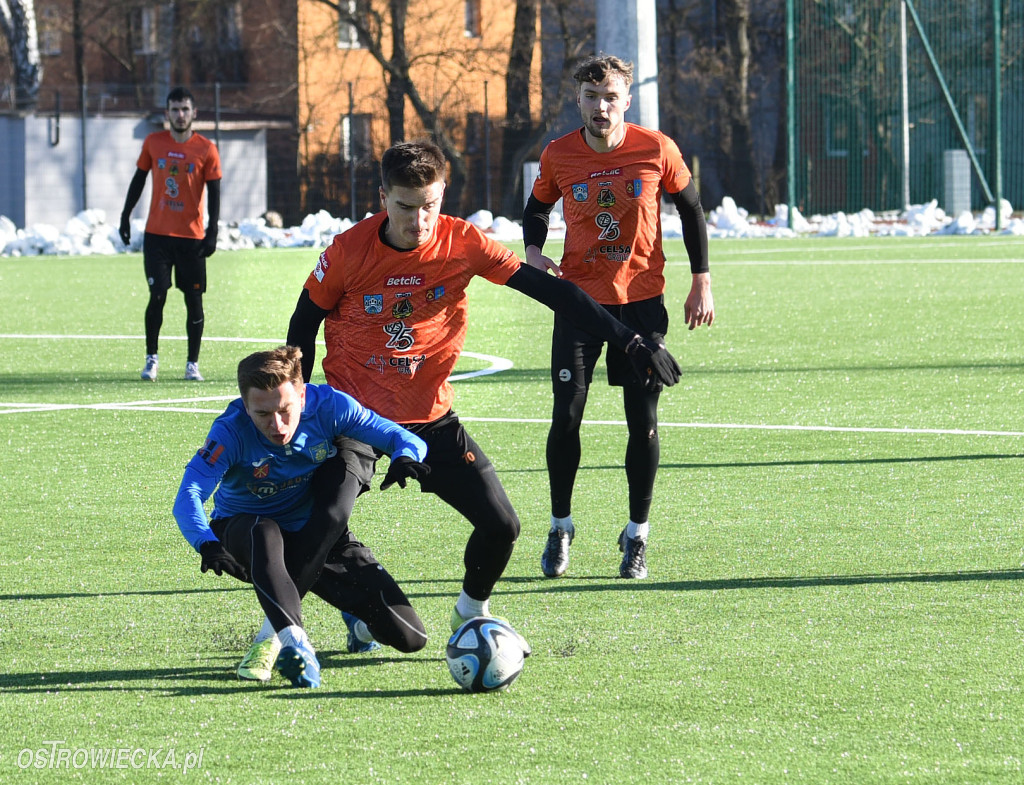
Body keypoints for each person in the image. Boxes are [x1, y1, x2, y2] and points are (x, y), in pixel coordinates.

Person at [286, 140, 681, 653]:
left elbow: (555, 292)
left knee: (503, 525)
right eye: (406, 207)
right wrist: (298, 406)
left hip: (430, 418)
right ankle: (282, 630)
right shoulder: (347, 251)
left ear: (443, 194)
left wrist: (626, 339)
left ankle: (470, 612)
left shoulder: (465, 242)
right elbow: (302, 325)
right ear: (383, 197)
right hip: (355, 417)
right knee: (327, 517)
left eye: (429, 205)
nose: (419, 219)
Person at [522, 53, 715, 581]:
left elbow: (692, 208)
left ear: (626, 99)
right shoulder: (559, 154)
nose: (601, 107)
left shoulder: (656, 148)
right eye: (591, 97)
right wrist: (534, 250)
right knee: (567, 414)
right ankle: (561, 526)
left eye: (610, 97)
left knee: (643, 423)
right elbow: (536, 208)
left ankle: (637, 536)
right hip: (580, 303)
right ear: (578, 100)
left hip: (643, 303)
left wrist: (702, 279)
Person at [172, 345, 431, 688]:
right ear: (245, 406)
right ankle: (295, 644)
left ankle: (357, 625)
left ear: (302, 395)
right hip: (245, 537)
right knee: (262, 530)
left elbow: (400, 436)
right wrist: (206, 543)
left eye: (284, 409)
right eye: (262, 414)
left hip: (312, 541)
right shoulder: (230, 431)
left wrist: (405, 455)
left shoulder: (330, 406)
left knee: (411, 636)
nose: (276, 425)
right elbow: (188, 494)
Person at [120, 86, 222, 383]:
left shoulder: (206, 149)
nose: (180, 115)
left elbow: (215, 192)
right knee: (157, 295)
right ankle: (152, 359)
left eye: (185, 109)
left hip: (191, 239)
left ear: (194, 114)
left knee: (194, 300)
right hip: (157, 236)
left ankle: (192, 363)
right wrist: (125, 215)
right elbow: (138, 180)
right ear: (167, 113)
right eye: (175, 109)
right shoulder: (153, 143)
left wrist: (212, 230)